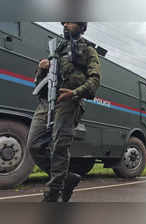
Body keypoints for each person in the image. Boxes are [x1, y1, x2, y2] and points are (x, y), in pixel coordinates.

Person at [27, 22, 101, 202]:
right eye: (64, 22)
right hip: (46, 102)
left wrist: (74, 93)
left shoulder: (89, 51)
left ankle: (53, 192)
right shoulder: (57, 49)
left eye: (71, 22)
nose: (66, 25)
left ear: (82, 26)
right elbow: (39, 83)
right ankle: (67, 178)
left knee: (60, 146)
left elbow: (95, 80)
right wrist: (41, 69)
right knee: (34, 145)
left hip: (69, 102)